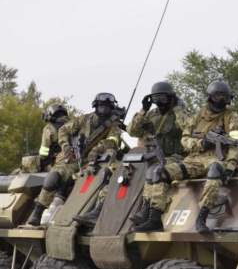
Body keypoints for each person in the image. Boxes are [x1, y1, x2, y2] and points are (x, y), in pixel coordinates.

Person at [131, 79, 238, 233]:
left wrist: (231, 164)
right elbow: (185, 138)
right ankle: (154, 219)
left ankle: (202, 217)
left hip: (216, 159)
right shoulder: (198, 115)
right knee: (160, 172)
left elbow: (236, 142)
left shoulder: (232, 116)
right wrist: (201, 143)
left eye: (225, 97)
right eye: (217, 97)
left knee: (215, 170)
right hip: (194, 159)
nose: (221, 100)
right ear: (210, 97)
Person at [72, 81, 188, 226]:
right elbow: (132, 131)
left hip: (172, 157)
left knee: (156, 172)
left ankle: (147, 209)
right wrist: (143, 110)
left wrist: (177, 109)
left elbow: (189, 128)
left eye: (163, 98)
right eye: (155, 98)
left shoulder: (181, 114)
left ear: (171, 98)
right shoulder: (150, 115)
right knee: (113, 171)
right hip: (148, 156)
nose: (159, 102)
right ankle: (98, 210)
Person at [27, 93, 122, 226]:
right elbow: (64, 130)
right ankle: (38, 211)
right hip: (73, 158)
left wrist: (98, 148)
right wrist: (65, 145)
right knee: (53, 177)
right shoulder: (84, 119)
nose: (103, 110)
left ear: (111, 109)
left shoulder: (114, 126)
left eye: (107, 108)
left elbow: (114, 141)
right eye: (101, 107)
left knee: (85, 180)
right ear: (96, 106)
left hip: (94, 161)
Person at [13, 103, 69, 174]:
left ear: (52, 115)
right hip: (72, 163)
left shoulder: (49, 128)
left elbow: (43, 154)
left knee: (23, 166)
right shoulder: (73, 126)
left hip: (55, 165)